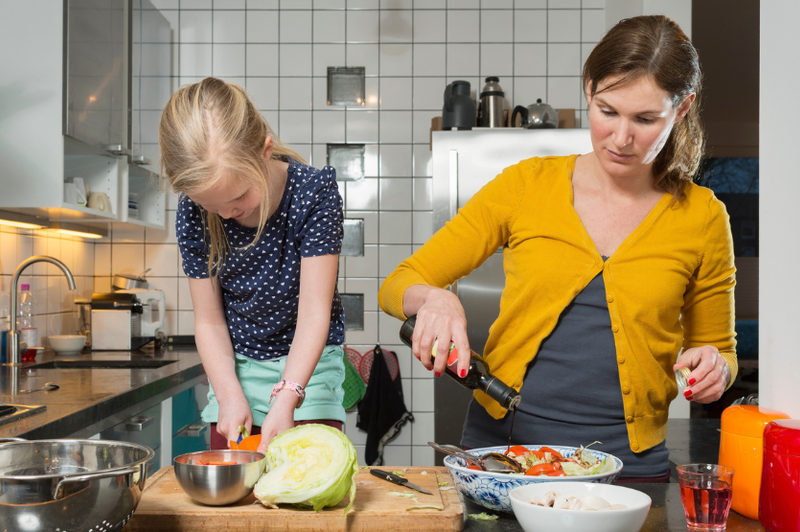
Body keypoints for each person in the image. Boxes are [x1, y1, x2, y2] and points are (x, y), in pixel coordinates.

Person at [378, 15, 737, 481]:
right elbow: (397, 285)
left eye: (646, 119)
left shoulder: (703, 217)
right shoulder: (527, 185)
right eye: (607, 111)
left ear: (682, 108)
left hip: (630, 468)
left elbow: (720, 351)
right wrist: (435, 298)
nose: (622, 138)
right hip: (503, 455)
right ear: (589, 89)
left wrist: (716, 370)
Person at [159, 77, 346, 453]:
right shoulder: (192, 212)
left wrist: (288, 397)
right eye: (212, 205)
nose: (227, 213)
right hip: (235, 369)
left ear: (265, 150)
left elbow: (313, 314)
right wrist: (228, 394)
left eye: (240, 195)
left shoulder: (314, 193)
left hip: (308, 366)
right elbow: (209, 321)